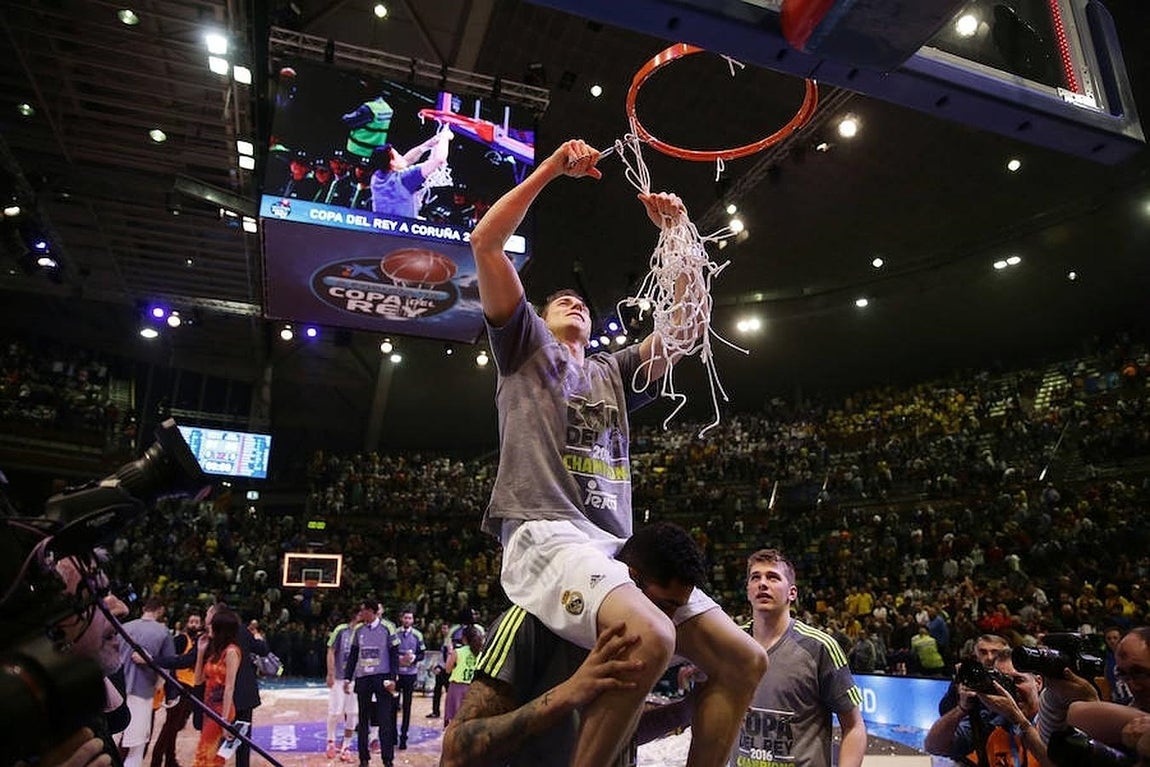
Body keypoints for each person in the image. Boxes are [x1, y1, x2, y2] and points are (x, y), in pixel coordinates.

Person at [470, 136, 767, 767]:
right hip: (545, 534)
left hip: (611, 550)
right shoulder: (523, 348)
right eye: (560, 302)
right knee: (652, 634)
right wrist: (551, 168)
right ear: (538, 316)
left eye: (580, 302)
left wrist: (681, 238)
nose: (574, 302)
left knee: (745, 660)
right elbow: (485, 244)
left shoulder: (610, 370)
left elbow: (683, 334)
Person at [441, 521, 714, 767]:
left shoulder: (633, 641)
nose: (668, 622)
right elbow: (456, 749)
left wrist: (683, 711)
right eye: (664, 605)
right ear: (629, 579)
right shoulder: (531, 619)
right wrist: (568, 693)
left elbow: (616, 736)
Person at [734, 548, 867, 767]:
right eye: (755, 577)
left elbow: (854, 726)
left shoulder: (819, 647)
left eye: (773, 577)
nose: (762, 583)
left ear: (792, 593)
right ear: (748, 590)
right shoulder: (729, 644)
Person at [925, 647, 1054, 767]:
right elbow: (934, 746)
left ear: (1038, 683)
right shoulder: (990, 719)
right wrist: (962, 709)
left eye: (1018, 680)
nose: (1009, 690)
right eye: (1003, 682)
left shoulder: (1056, 718)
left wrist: (1016, 717)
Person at [116, 597, 176, 767]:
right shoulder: (163, 632)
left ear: (144, 608)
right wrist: (160, 688)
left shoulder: (124, 627)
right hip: (142, 691)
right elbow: (167, 666)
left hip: (117, 688)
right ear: (161, 610)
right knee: (136, 745)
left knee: (112, 738)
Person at [343, 599, 399, 767]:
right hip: (363, 678)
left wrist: (393, 678)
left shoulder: (388, 628)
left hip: (382, 678)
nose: (361, 614)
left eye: (364, 611)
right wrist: (348, 677)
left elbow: (394, 654)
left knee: (384, 720)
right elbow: (353, 655)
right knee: (363, 719)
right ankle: (363, 759)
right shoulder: (358, 630)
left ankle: (387, 760)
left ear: (373, 612)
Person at [149, 610, 204, 767]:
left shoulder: (198, 641)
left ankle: (170, 759)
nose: (194, 624)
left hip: (189, 687)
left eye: (196, 622)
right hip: (179, 686)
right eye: (191, 621)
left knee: (175, 726)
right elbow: (171, 662)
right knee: (170, 726)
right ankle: (157, 760)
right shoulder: (181, 639)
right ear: (187, 623)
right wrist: (172, 689)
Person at [192, 607, 242, 767]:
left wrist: (225, 721)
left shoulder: (231, 652)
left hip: (222, 710)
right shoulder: (214, 652)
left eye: (212, 625)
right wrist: (200, 653)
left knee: (204, 755)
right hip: (208, 707)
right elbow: (198, 680)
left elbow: (229, 688)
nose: (208, 627)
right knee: (212, 757)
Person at [369, 130, 452, 219]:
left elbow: (406, 161)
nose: (401, 156)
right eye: (398, 155)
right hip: (401, 230)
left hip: (379, 228)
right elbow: (439, 160)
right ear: (392, 163)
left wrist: (430, 143)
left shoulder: (376, 177)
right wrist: (444, 137)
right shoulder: (405, 179)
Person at [939, 634, 1012, 714]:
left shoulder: (1016, 677)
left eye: (995, 652)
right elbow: (944, 711)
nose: (989, 657)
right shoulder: (969, 676)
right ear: (975, 655)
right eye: (983, 652)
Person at [325, 607, 361, 761]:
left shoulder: (366, 632)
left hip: (357, 678)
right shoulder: (341, 630)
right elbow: (331, 651)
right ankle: (331, 742)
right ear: (355, 615)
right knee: (335, 712)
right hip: (340, 676)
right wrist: (330, 673)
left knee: (353, 714)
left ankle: (346, 746)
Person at [393, 607, 426, 749]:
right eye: (405, 618)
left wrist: (413, 658)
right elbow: (390, 651)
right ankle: (392, 735)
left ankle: (404, 737)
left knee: (407, 706)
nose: (407, 620)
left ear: (413, 620)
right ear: (402, 619)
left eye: (410, 618)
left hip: (410, 675)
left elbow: (422, 654)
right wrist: (399, 659)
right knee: (393, 706)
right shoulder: (395, 633)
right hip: (396, 674)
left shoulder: (418, 635)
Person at [427, 622, 451, 719]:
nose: (443, 630)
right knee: (437, 692)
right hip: (440, 670)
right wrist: (436, 665)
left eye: (445, 628)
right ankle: (435, 711)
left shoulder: (450, 641)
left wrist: (443, 667)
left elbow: (448, 657)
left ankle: (449, 713)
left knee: (449, 693)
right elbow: (442, 656)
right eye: (442, 628)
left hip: (447, 670)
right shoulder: (443, 641)